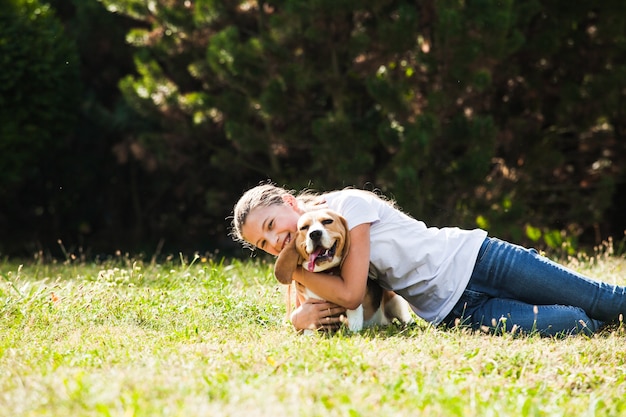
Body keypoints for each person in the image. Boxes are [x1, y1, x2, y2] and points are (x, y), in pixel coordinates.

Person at [230, 183, 626, 336]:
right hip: (455, 312)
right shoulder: (316, 255)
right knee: (576, 322)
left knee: (604, 301)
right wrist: (296, 317)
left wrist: (295, 263)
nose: (273, 239)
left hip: (480, 259)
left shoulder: (345, 210)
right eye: (263, 243)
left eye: (270, 224)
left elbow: (350, 295)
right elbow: (318, 302)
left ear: (287, 202)